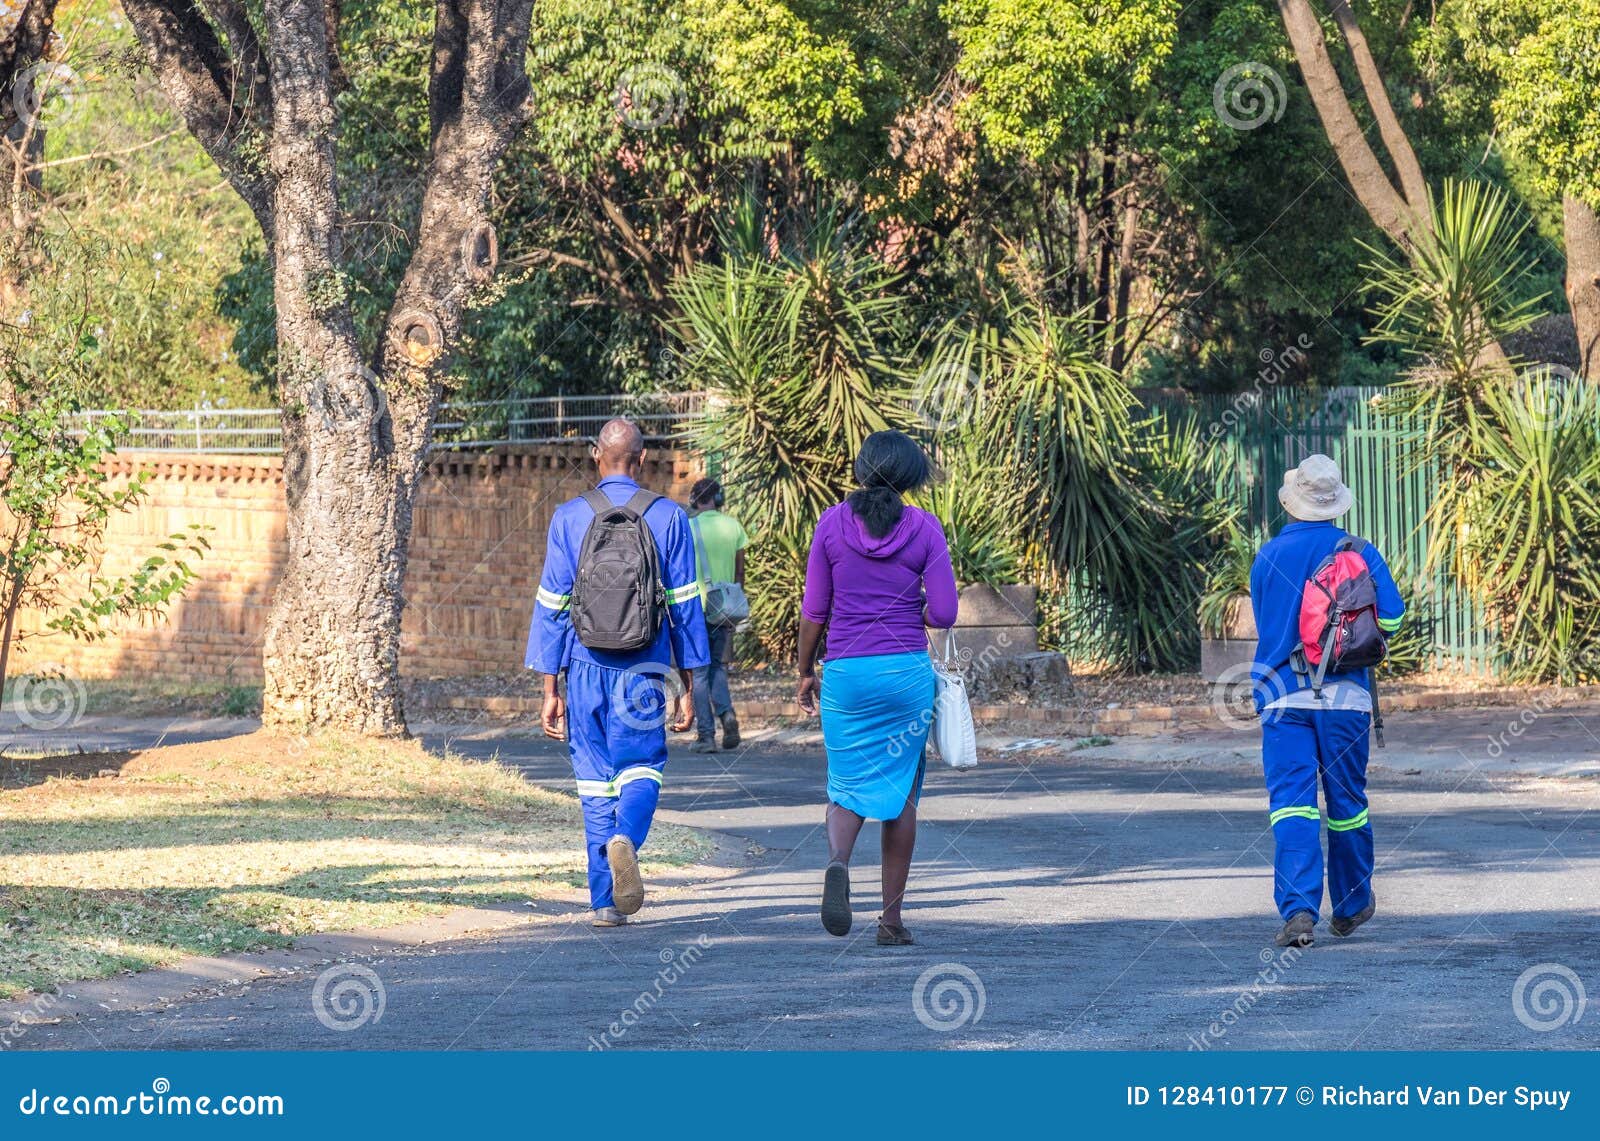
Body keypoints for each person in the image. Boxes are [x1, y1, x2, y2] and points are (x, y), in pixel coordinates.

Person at [527, 418, 710, 928]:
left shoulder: (568, 517)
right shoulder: (669, 517)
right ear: (643, 458)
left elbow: (551, 607)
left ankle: (604, 902)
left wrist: (550, 686)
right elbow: (685, 607)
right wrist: (689, 685)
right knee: (642, 766)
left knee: (592, 780)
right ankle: (626, 836)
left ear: (594, 456)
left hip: (584, 668)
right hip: (646, 667)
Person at [795, 430, 958, 945]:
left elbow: (814, 610)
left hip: (847, 674)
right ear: (911, 478)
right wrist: (920, 609)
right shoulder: (926, 528)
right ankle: (890, 921)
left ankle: (839, 863)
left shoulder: (830, 523)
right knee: (903, 797)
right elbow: (946, 612)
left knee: (845, 787)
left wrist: (805, 670)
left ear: (863, 470)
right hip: (905, 675)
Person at [1250, 454, 1404, 949]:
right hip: (1346, 697)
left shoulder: (1267, 555)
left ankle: (1298, 911)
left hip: (1281, 697)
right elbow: (1393, 620)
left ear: (1293, 502)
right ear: (1335, 504)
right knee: (1347, 806)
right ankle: (1353, 903)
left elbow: (1268, 622)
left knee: (1291, 806)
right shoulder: (1359, 551)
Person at [686, 477, 749, 753]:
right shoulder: (733, 526)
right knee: (718, 666)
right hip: (724, 606)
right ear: (718, 499)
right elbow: (740, 572)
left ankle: (706, 736)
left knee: (699, 671)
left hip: (695, 607)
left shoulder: (689, 527)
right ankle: (726, 714)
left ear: (695, 500)